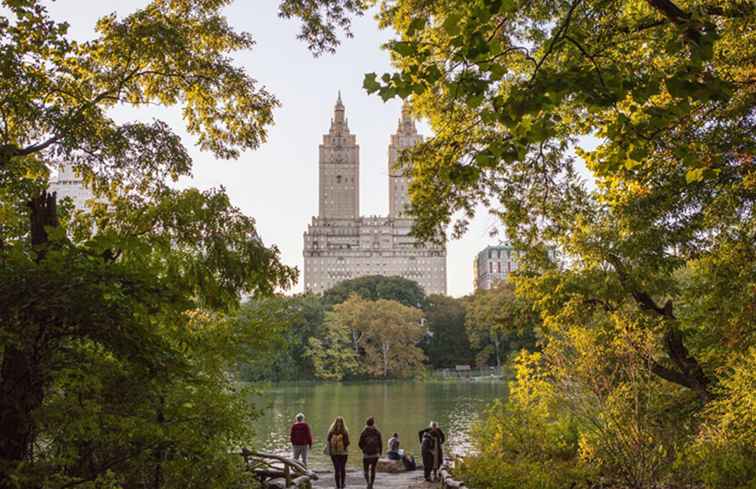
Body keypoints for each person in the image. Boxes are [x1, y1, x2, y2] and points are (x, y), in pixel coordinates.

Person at [358, 417, 382, 489]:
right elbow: (380, 443)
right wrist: (380, 452)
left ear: (366, 423)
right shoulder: (377, 431)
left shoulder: (364, 432)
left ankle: (368, 483)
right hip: (375, 454)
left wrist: (363, 449)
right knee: (373, 470)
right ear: (373, 423)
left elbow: (359, 443)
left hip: (366, 454)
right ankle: (371, 484)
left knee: (366, 470)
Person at [327, 416, 350, 489]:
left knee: (337, 469)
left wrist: (330, 450)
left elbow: (328, 441)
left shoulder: (331, 431)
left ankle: (338, 486)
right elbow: (347, 443)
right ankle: (342, 485)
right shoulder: (345, 431)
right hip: (343, 453)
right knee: (342, 469)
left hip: (334, 453)